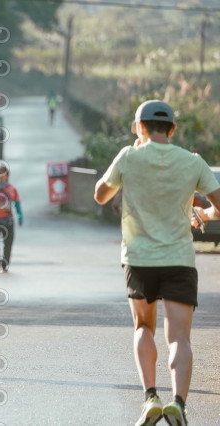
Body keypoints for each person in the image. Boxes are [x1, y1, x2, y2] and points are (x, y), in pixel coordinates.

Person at [94, 100, 220, 426]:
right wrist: (204, 213)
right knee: (179, 337)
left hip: (138, 259)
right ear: (173, 130)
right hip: (179, 260)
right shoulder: (193, 162)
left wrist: (130, 160)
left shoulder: (128, 156)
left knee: (143, 328)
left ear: (140, 127)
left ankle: (151, 398)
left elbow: (100, 195)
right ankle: (178, 403)